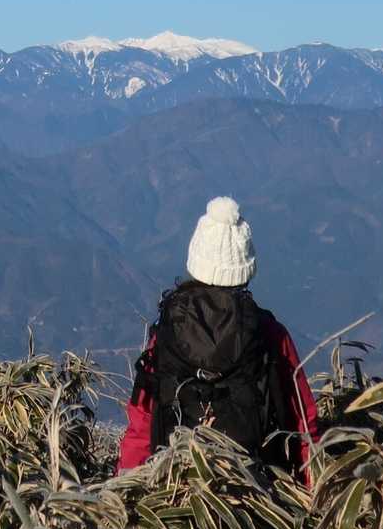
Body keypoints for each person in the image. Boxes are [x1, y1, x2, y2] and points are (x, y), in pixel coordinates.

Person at [118, 196, 319, 481]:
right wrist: (313, 488)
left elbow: (142, 420)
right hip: (254, 486)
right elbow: (303, 422)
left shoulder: (168, 332)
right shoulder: (269, 334)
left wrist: (126, 485)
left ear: (195, 262)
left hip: (175, 483)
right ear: (246, 269)